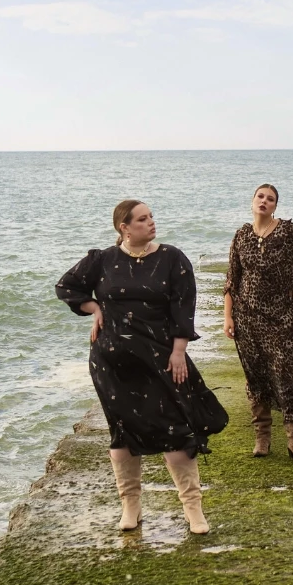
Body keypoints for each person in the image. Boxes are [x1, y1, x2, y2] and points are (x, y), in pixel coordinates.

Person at [56, 200, 228, 534]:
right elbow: (66, 287)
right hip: (112, 363)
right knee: (122, 433)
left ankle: (193, 509)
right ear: (124, 227)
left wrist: (179, 351)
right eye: (142, 219)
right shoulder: (102, 259)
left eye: (151, 217)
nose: (151, 222)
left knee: (176, 430)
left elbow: (184, 306)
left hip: (161, 357)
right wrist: (95, 308)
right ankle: (130, 506)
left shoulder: (172, 258)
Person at [223, 184, 293, 463]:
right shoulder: (242, 235)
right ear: (252, 201)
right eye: (260, 196)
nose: (264, 201)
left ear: (275, 206)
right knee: (255, 375)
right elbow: (232, 279)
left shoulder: (288, 232)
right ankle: (262, 437)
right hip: (247, 318)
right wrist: (228, 316)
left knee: (288, 376)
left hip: (283, 318)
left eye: (270, 199)